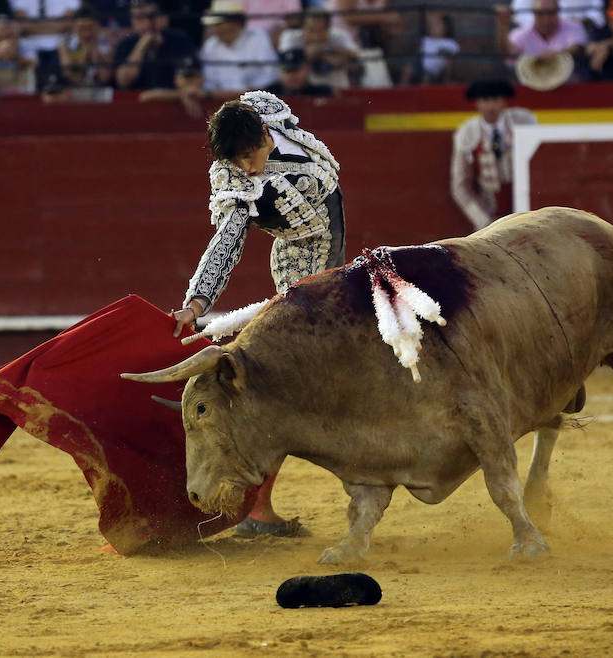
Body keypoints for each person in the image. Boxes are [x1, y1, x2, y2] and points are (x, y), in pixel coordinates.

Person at [173, 91, 345, 538]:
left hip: (330, 253)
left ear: (267, 135)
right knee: (287, 382)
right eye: (238, 161)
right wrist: (196, 302)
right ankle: (258, 509)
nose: (248, 168)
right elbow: (226, 241)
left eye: (251, 156)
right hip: (302, 263)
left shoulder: (266, 112)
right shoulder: (235, 182)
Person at [450, 79, 537, 231]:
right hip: (490, 208)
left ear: (504, 101)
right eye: (485, 100)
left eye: (496, 100)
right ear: (477, 103)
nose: (490, 106)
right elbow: (460, 186)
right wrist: (484, 220)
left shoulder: (523, 121)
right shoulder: (467, 133)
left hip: (526, 205)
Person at [199, 0, 279, 94]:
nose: (216, 28)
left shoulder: (258, 38)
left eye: (220, 24)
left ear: (235, 23)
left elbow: (272, 74)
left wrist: (248, 92)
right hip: (220, 102)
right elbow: (208, 83)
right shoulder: (210, 47)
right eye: (215, 25)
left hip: (255, 100)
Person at [114, 0, 197, 90]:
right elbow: (123, 81)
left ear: (162, 18)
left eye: (151, 17)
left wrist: (156, 95)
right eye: (139, 18)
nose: (146, 23)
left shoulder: (180, 40)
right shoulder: (125, 44)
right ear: (132, 21)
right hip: (134, 101)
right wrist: (141, 47)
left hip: (172, 100)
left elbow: (191, 82)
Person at [500, 0, 588, 80]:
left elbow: (577, 48)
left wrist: (556, 55)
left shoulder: (573, 27)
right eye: (541, 14)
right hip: (532, 91)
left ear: (558, 11)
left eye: (551, 13)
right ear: (534, 13)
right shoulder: (521, 34)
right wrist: (502, 25)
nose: (546, 20)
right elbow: (507, 52)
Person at [278, 7, 359, 90]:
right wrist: (311, 55)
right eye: (311, 30)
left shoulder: (339, 36)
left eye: (320, 30)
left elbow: (356, 54)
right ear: (302, 28)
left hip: (335, 86)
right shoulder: (290, 37)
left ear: (328, 29)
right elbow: (286, 61)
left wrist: (324, 53)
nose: (316, 36)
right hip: (303, 88)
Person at [399, 10, 460, 85]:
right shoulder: (426, 39)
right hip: (420, 64)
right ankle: (402, 90)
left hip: (434, 69)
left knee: (426, 78)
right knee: (407, 69)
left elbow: (452, 56)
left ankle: (424, 94)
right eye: (432, 26)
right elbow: (417, 50)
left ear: (445, 28)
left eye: (437, 26)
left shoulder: (449, 42)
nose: (433, 28)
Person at [58, 6, 113, 88]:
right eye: (81, 29)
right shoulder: (66, 44)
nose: (86, 34)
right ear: (74, 28)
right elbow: (73, 78)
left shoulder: (107, 43)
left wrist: (95, 53)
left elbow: (105, 78)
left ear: (98, 26)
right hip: (75, 92)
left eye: (90, 28)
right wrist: (83, 56)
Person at [10, 0, 80, 53]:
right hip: (27, 46)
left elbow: (68, 24)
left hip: (64, 43)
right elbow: (22, 26)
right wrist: (56, 25)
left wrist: (33, 26)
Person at [264, 47, 334, 96]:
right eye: (287, 71)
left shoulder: (322, 94)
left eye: (296, 70)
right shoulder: (269, 95)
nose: (292, 75)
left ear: (307, 69)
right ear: (281, 72)